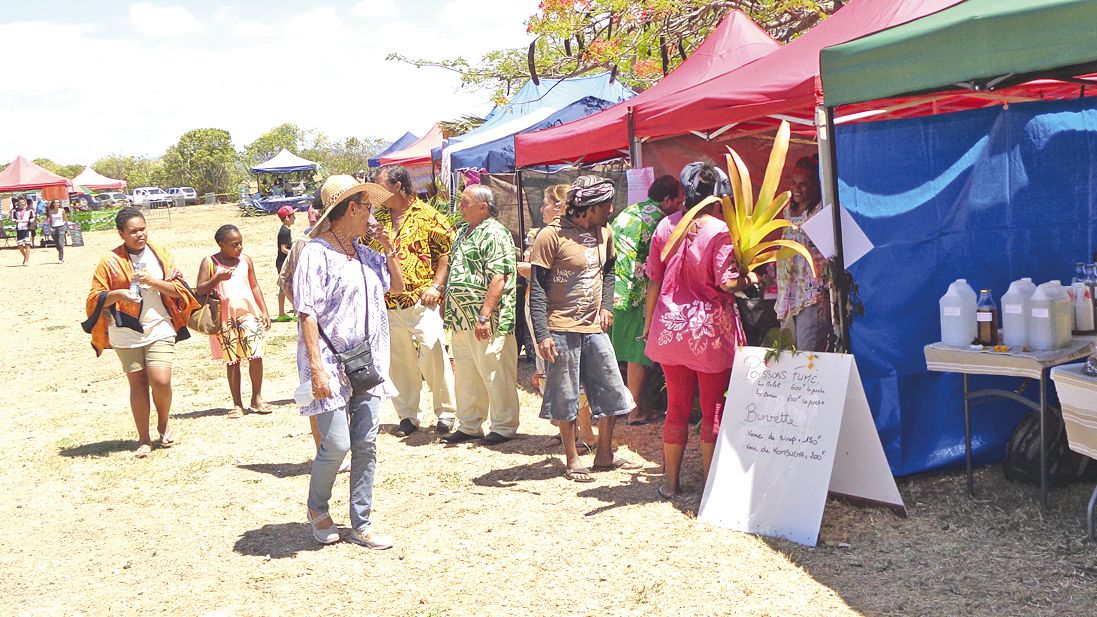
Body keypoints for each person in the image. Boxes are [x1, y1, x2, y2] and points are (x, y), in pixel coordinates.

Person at [294, 174, 404, 548]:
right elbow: (306, 313)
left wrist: (388, 247)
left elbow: (399, 286)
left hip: (369, 362)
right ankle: (317, 508)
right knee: (337, 442)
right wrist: (316, 369)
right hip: (328, 361)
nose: (372, 215)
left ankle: (362, 522)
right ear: (352, 208)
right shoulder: (315, 253)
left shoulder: (366, 254)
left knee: (367, 442)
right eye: (368, 207)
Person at [644, 163, 752, 500]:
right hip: (708, 333)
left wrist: (649, 326)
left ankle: (671, 484)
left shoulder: (666, 225)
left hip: (670, 329)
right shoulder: (720, 230)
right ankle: (711, 487)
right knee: (712, 410)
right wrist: (750, 278)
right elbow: (727, 282)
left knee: (675, 407)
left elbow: (654, 280)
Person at [528, 175, 639, 482]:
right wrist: (542, 334)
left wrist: (605, 307)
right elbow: (537, 288)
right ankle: (572, 458)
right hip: (560, 327)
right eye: (607, 205)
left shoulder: (605, 233)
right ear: (590, 207)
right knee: (566, 395)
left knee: (612, 390)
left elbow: (609, 272)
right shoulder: (550, 236)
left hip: (594, 327)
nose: (612, 210)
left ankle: (604, 455)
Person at [82, 207, 198, 457]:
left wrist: (152, 282)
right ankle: (144, 438)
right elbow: (94, 299)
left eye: (143, 229)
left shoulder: (160, 254)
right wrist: (119, 294)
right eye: (133, 231)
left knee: (161, 380)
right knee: (138, 385)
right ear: (121, 233)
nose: (140, 235)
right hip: (125, 331)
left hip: (160, 326)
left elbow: (179, 290)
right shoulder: (109, 262)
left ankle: (164, 422)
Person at [370, 164, 457, 437]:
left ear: (398, 186)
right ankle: (408, 415)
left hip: (421, 300)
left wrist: (436, 285)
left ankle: (446, 413)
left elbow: (446, 253)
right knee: (399, 361)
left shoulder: (428, 215)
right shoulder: (377, 218)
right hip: (387, 303)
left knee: (433, 352)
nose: (375, 193)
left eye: (380, 186)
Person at [517, 183, 597, 449]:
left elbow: (558, 273)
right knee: (553, 371)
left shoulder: (570, 236)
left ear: (561, 206)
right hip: (540, 308)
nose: (542, 208)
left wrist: (526, 268)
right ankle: (571, 431)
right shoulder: (545, 234)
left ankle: (584, 432)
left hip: (558, 312)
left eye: (547, 203)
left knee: (570, 371)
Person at [440, 186, 520, 446]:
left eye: (465, 202)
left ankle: (503, 426)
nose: (460, 207)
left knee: (495, 371)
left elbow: (499, 277)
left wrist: (485, 314)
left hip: (488, 319)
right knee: (466, 373)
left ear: (483, 206)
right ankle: (470, 424)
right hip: (461, 318)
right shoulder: (463, 232)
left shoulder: (496, 233)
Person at [608, 175, 682, 425]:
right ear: (668, 200)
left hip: (613, 290)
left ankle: (618, 406)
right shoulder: (661, 220)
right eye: (679, 201)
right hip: (636, 295)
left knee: (615, 351)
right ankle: (636, 411)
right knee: (636, 353)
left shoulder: (628, 212)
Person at [196, 225, 273, 418]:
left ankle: (257, 398)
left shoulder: (245, 261)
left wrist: (263, 310)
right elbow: (200, 290)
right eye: (234, 244)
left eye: (241, 243)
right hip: (225, 320)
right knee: (233, 361)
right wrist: (216, 278)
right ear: (222, 244)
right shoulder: (210, 262)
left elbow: (254, 286)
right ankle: (237, 404)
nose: (239, 247)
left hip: (248, 315)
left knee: (256, 355)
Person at [776, 155, 832, 352]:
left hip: (811, 297)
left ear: (816, 185)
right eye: (794, 183)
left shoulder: (822, 211)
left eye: (803, 184)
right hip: (787, 294)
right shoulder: (787, 210)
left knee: (808, 357)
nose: (797, 188)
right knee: (788, 355)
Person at [275, 205, 296, 322]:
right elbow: (283, 248)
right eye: (293, 215)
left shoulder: (286, 229)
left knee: (283, 288)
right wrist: (293, 254)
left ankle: (282, 314)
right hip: (283, 262)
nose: (295, 218)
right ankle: (294, 312)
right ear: (287, 218)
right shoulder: (284, 231)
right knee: (289, 286)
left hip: (283, 261)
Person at [12, 198, 33, 266]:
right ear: (18, 203)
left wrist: (29, 221)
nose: (21, 203)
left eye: (23, 202)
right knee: (20, 245)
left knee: (27, 244)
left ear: (25, 202)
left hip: (27, 228)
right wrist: (16, 221)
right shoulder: (15, 211)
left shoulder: (29, 210)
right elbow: (12, 218)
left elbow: (32, 218)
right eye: (20, 202)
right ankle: (25, 256)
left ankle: (26, 260)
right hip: (19, 229)